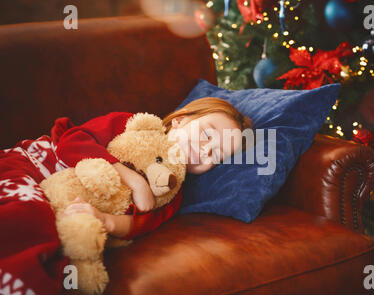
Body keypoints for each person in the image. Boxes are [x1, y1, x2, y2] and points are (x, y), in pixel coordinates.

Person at [54, 97, 253, 240]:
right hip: (44, 164)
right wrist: (136, 181)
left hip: (70, 204)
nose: (206, 150)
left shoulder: (172, 193)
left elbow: (141, 223)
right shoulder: (134, 126)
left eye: (217, 155)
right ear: (180, 120)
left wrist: (105, 220)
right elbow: (72, 142)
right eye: (208, 135)